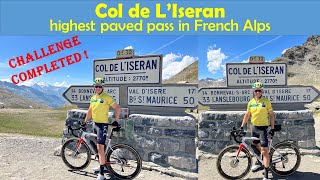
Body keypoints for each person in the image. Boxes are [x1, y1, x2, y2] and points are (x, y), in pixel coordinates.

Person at [82, 77, 121, 180]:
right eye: (96, 86)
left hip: (102, 125)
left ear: (103, 87)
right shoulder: (93, 97)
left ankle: (101, 174)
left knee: (100, 148)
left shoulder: (106, 97)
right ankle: (102, 164)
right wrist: (85, 121)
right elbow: (90, 110)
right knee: (97, 146)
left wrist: (116, 120)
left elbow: (117, 108)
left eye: (100, 86)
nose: (98, 88)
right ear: (94, 87)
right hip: (94, 124)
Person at [240, 82, 275, 180]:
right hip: (254, 128)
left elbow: (271, 115)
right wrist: (242, 126)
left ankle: (266, 174)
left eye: (259, 90)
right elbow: (247, 115)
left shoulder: (266, 101)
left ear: (262, 91)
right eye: (256, 90)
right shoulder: (251, 102)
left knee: (264, 151)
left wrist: (272, 128)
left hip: (263, 128)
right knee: (255, 145)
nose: (257, 92)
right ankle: (260, 162)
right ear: (253, 91)